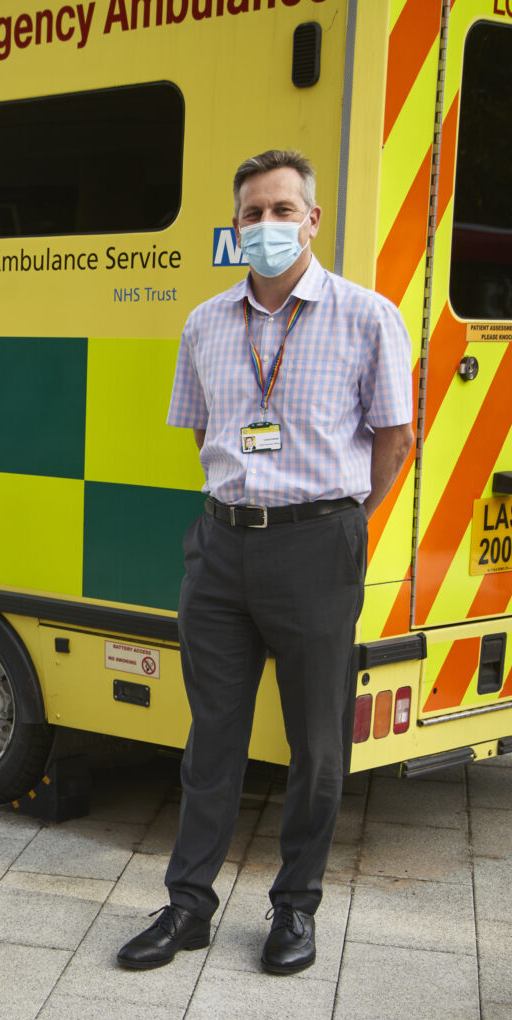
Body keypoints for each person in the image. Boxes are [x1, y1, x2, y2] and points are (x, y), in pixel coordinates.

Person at [117, 151, 413, 975]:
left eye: (285, 210)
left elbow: (396, 439)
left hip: (318, 543)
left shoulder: (366, 316)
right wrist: (240, 507)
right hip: (220, 548)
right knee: (212, 738)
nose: (269, 226)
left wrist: (345, 523)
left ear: (312, 220)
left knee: (317, 743)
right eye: (254, 213)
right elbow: (199, 430)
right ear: (235, 225)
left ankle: (296, 908)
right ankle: (189, 906)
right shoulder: (207, 321)